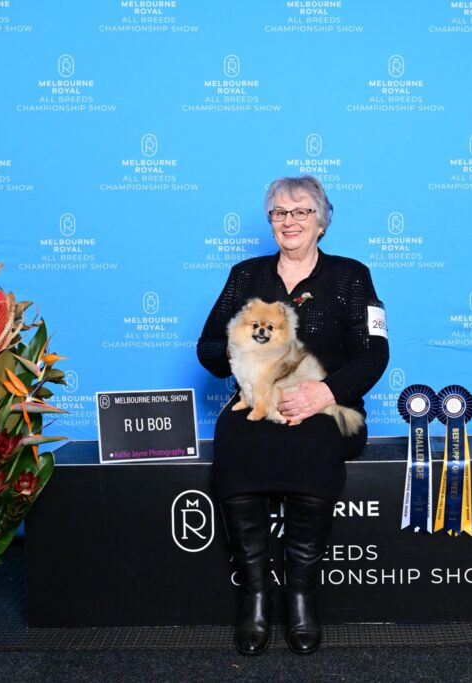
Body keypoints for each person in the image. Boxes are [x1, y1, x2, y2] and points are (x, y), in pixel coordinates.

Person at [197, 175, 389, 655]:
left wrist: (323, 393)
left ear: (321, 222)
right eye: (280, 213)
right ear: (270, 222)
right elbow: (208, 348)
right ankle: (256, 595)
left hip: (329, 407)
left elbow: (374, 354)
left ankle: (302, 595)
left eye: (302, 211)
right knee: (236, 438)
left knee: (312, 442)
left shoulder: (351, 276)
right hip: (259, 401)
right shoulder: (246, 275)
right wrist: (238, 348)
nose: (290, 221)